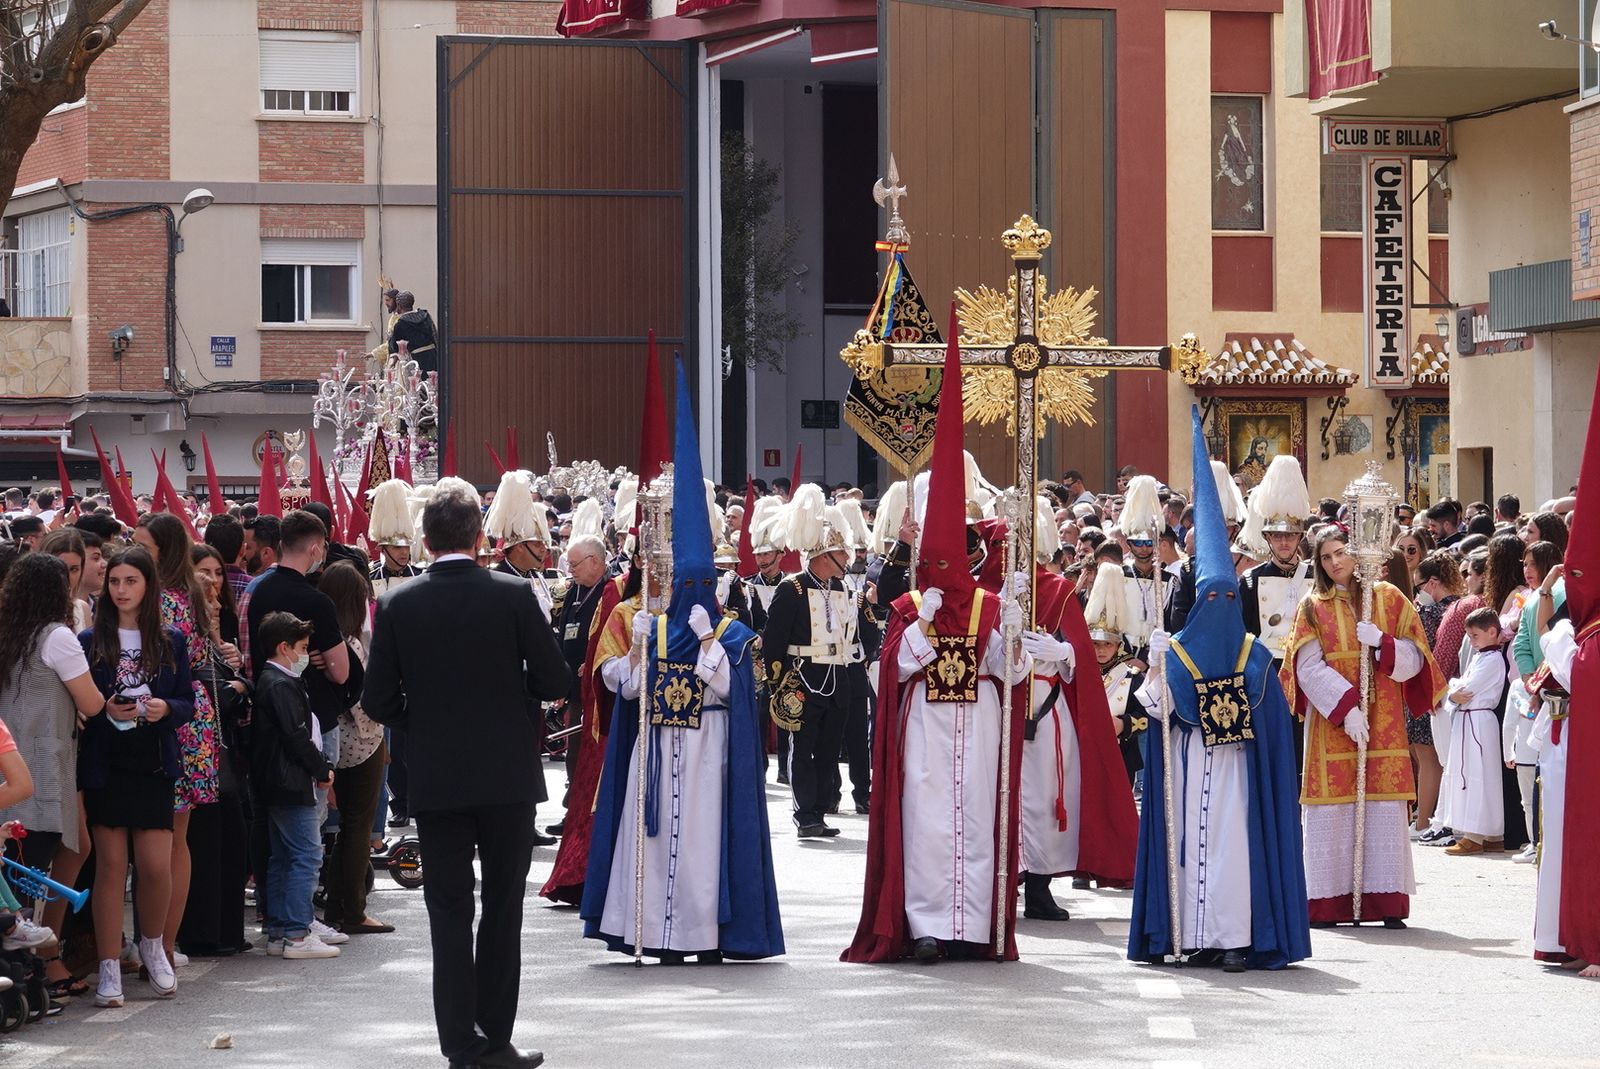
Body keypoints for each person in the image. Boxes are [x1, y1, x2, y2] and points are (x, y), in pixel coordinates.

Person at [363, 477, 572, 1067]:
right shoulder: (512, 595)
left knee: (449, 912)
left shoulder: (398, 602)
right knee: (503, 909)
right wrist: (516, 698)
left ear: (426, 541)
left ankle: (460, 1043)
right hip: (506, 775)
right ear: (481, 538)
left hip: (437, 778)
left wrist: (422, 720)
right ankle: (495, 1037)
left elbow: (377, 700)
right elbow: (556, 681)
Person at [844, 331, 1033, 965]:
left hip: (976, 729)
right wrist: (921, 628)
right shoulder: (905, 608)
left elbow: (1010, 674)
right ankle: (925, 924)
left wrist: (1017, 641)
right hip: (926, 730)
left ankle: (972, 923)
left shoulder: (990, 607)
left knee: (976, 822)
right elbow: (887, 675)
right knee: (927, 825)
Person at [582, 367, 782, 965]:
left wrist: (710, 644)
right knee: (656, 839)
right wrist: (639, 649)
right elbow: (627, 689)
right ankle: (660, 934)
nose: (691, 590)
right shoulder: (655, 625)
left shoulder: (732, 631)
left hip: (710, 753)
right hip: (659, 747)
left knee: (702, 845)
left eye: (702, 582)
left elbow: (733, 691)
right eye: (683, 581)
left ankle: (705, 935)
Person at [1129, 409, 1309, 972]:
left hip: (1236, 776)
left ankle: (1233, 938)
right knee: (1188, 848)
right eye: (1211, 600)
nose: (1221, 609)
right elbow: (1151, 710)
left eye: (1227, 599)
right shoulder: (1178, 653)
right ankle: (1188, 935)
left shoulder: (1253, 654)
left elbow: (1274, 726)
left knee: (1232, 852)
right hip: (1186, 767)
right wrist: (1156, 667)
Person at [976, 506, 1138, 918]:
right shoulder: (982, 593)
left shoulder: (1057, 589)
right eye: (1000, 545)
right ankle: (1000, 880)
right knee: (997, 794)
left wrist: (1063, 651)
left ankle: (1040, 886)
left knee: (1047, 798)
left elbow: (1082, 650)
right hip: (999, 706)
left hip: (1048, 709)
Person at [1281, 527, 1446, 928]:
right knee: (1333, 812)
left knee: (1383, 810)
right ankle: (1328, 903)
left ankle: (1385, 902)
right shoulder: (1311, 606)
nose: (1335, 562)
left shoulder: (1389, 599)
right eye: (1325, 557)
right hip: (1333, 725)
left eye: (1341, 553)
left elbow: (1416, 660)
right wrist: (1345, 708)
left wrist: (1382, 644)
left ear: (1356, 554)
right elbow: (1306, 668)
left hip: (1384, 724)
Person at [78, 547, 195, 1006]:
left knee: (154, 865)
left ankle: (154, 946)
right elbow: (83, 701)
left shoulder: (171, 640)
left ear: (148, 586)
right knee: (109, 867)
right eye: (114, 581)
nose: (121, 590)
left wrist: (167, 708)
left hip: (154, 759)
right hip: (107, 760)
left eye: (131, 581)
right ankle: (109, 965)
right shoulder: (91, 639)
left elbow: (187, 699)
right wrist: (104, 707)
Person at [0, 553, 105, 998]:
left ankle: (45, 955)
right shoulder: (57, 636)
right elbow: (93, 702)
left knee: (60, 851)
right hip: (41, 763)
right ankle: (35, 967)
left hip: (8, 757)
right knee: (31, 870)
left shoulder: (7, 632)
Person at [761, 484, 877, 837]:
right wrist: (778, 683)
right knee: (801, 750)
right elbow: (774, 641)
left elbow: (861, 636)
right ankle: (804, 815)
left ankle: (821, 808)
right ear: (825, 556)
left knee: (828, 752)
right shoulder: (792, 588)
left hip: (838, 679)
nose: (848, 559)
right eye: (842, 554)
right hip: (803, 678)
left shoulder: (845, 590)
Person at [250, 612, 339, 960]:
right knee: (306, 854)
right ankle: (297, 933)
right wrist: (321, 769)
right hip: (290, 782)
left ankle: (279, 930)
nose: (305, 655)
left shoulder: (272, 681)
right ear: (284, 648)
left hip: (274, 783)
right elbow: (296, 737)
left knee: (284, 857)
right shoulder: (281, 684)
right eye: (301, 648)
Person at [315, 561, 392, 935]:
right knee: (357, 827)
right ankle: (352, 908)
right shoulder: (353, 644)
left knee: (343, 827)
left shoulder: (318, 642)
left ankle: (336, 903)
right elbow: (363, 702)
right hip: (361, 742)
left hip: (330, 742)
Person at [1237, 456, 1315, 775]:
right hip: (1268, 678)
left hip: (1309, 674)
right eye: (1278, 536)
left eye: (1290, 535)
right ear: (1267, 538)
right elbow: (1244, 638)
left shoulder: (1315, 577)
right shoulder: (1251, 581)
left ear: (1299, 538)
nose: (1284, 542)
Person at [1438, 607, 1510, 856]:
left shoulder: (1493, 660)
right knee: (1468, 773)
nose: (1471, 641)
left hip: (1479, 722)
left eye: (1475, 635)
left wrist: (1454, 690)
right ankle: (1488, 833)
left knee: (1478, 775)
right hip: (1468, 720)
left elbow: (1466, 688)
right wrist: (1453, 691)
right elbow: (1457, 687)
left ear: (1492, 632)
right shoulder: (1480, 657)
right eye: (1469, 636)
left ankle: (1476, 834)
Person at [1409, 550, 1462, 837]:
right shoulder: (1453, 608)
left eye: (1418, 587)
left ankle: (1423, 821)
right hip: (1439, 690)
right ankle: (1426, 817)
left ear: (1431, 583)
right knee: (1430, 757)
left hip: (1428, 688)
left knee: (1428, 758)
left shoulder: (1430, 612)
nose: (1417, 595)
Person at [387, 291, 437, 376]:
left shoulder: (401, 323)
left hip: (417, 360)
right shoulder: (425, 315)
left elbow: (395, 346)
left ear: (399, 305)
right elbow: (434, 334)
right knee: (434, 383)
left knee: (419, 385)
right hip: (434, 356)